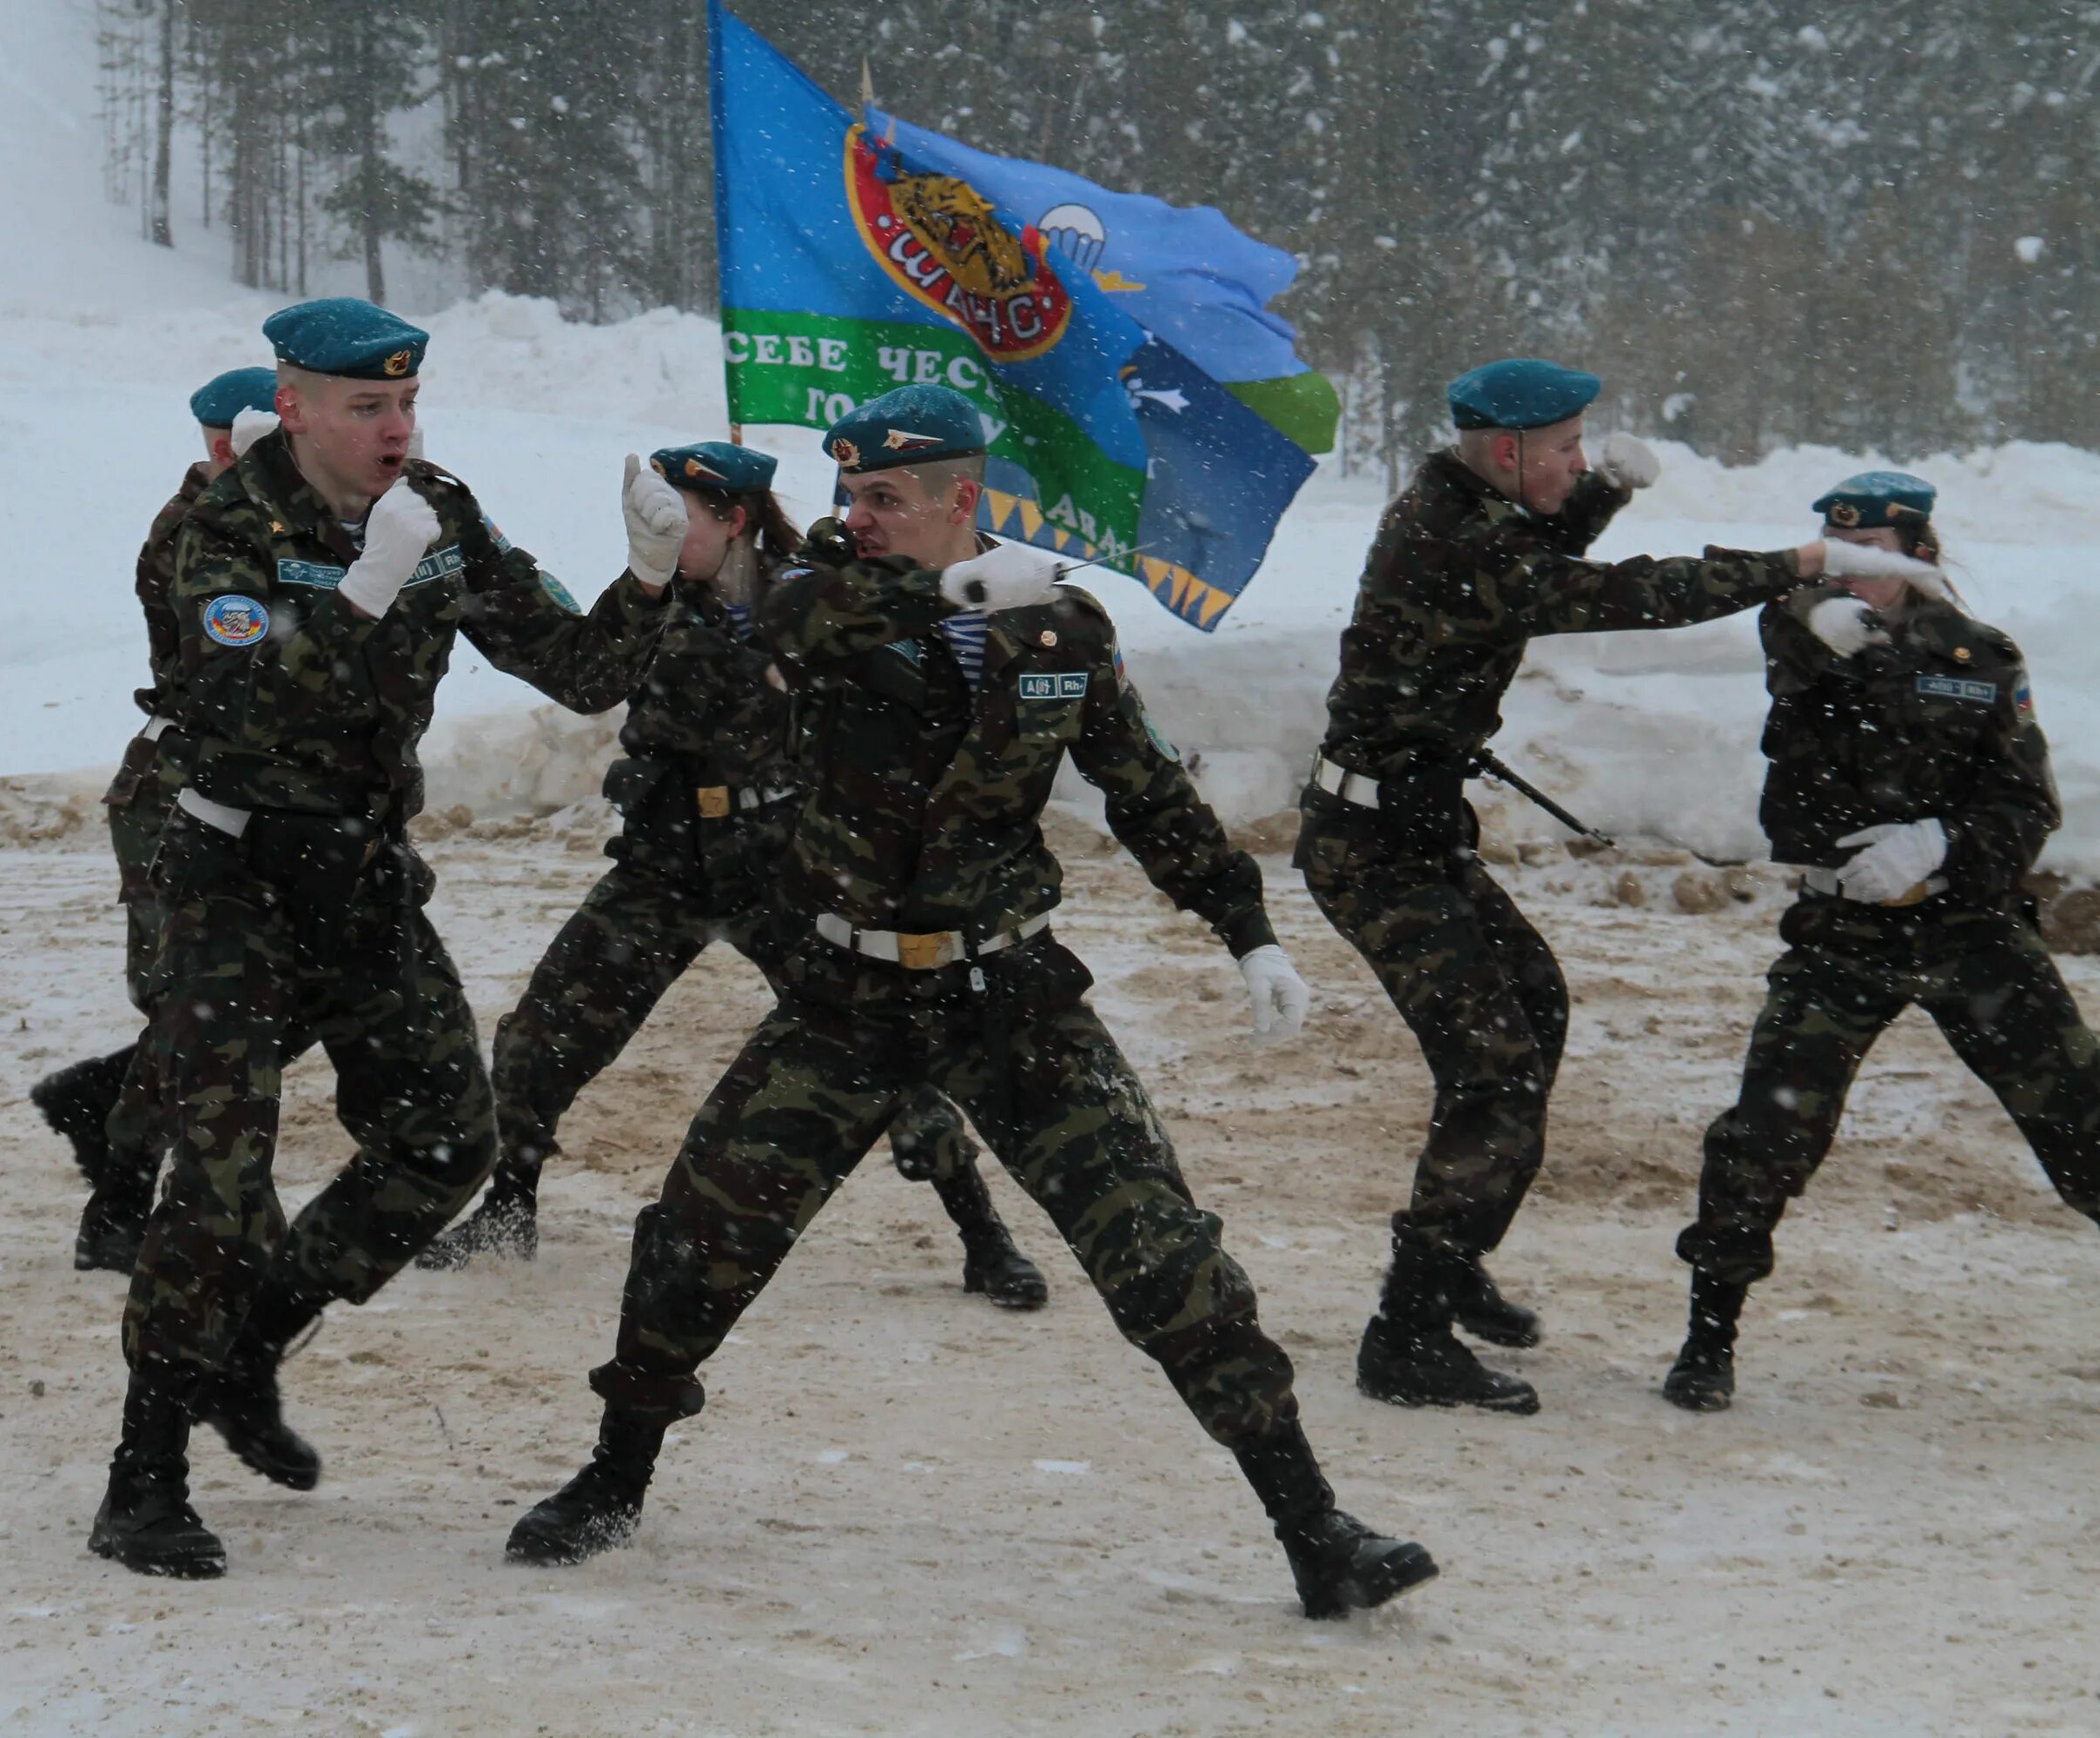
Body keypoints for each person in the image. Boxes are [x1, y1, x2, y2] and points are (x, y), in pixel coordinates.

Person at [504, 385, 1436, 1622]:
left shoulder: (1059, 630)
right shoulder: (823, 593)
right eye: (849, 494)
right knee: (695, 1241)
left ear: (964, 499)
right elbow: (809, 617)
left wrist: (1245, 927)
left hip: (1008, 992)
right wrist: (936, 592)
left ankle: (1317, 1530)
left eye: (887, 497)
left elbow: (1143, 787)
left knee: (1166, 1258)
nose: (859, 515)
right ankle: (613, 1479)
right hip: (844, 991)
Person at [89, 299, 666, 1579]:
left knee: (447, 1141)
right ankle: (144, 1479)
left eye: (406, 405)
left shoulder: (440, 513)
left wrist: (651, 581)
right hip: (225, 870)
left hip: (354, 869)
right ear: (293, 409)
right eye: (365, 408)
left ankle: (254, 1346)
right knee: (224, 1179)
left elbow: (576, 669)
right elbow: (236, 701)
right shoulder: (218, 528)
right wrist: (362, 593)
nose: (394, 428)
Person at [1295, 357, 1938, 1416]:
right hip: (1369, 845)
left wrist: (1594, 494)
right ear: (1507, 453)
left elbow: (1532, 561)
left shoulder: (1467, 505)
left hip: (1410, 828)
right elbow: (1607, 595)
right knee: (1495, 1071)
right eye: (1564, 451)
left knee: (1534, 1010)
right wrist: (1800, 560)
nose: (1578, 461)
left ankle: (1450, 1262)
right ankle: (1404, 1333)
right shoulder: (1453, 533)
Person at [418, 438, 1050, 1308]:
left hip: (785, 867)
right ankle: (509, 1207)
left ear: (737, 520)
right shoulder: (650, 600)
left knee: (883, 1054)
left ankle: (984, 1234)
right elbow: (589, 668)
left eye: (683, 520)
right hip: (666, 866)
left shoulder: (811, 600)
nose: (662, 535)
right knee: (541, 1037)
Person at [1665, 470, 2100, 1410]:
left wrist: (1940, 845)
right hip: (1843, 931)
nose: (1858, 574)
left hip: (1967, 926)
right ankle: (1710, 1334)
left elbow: (2028, 804)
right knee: (1765, 1135)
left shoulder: (1980, 655)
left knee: (2082, 1113)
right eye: (1843, 553)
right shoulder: (1806, 632)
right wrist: (1816, 611)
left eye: (1879, 556)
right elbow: (1777, 614)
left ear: (1920, 556)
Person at [30, 366, 280, 1273]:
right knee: (198, 1006)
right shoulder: (192, 530)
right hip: (180, 788)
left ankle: (100, 1102)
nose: (230, 452)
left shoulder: (279, 519)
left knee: (251, 1001)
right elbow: (250, 647)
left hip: (245, 787)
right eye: (225, 438)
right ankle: (128, 1197)